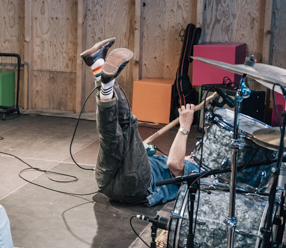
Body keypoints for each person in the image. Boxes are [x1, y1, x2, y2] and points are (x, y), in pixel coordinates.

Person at [80, 38, 198, 206]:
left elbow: (175, 164)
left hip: (136, 185)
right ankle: (99, 69)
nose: (193, 154)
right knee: (112, 138)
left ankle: (99, 71)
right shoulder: (190, 160)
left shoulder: (200, 171)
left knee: (127, 126)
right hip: (109, 181)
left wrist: (184, 127)